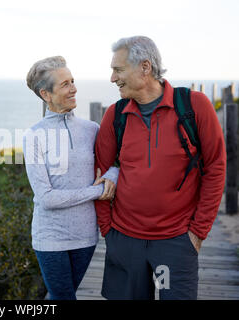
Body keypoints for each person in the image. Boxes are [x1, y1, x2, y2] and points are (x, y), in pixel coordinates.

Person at [95, 36, 226, 300]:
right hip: (124, 240)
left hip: (176, 242)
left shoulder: (194, 106)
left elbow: (215, 168)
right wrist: (107, 230)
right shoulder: (114, 115)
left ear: (145, 67)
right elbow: (98, 174)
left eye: (118, 70)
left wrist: (198, 232)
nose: (112, 78)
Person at [23, 56, 119, 300]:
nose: (74, 88)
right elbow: (46, 198)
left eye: (73, 81)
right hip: (50, 238)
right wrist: (96, 191)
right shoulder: (34, 136)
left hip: (86, 236)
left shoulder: (92, 129)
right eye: (65, 84)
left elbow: (119, 163)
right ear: (46, 94)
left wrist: (113, 174)